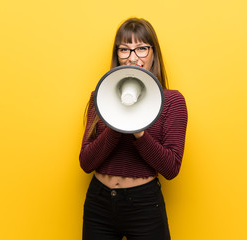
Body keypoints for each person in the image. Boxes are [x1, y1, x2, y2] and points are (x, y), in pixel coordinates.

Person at [79, 17, 188, 240]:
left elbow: (171, 168)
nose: (133, 58)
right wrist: (115, 122)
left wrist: (139, 130)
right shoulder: (100, 99)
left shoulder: (172, 101)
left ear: (153, 54)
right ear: (117, 56)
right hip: (99, 203)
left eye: (141, 49)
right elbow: (86, 163)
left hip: (144, 204)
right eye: (124, 50)